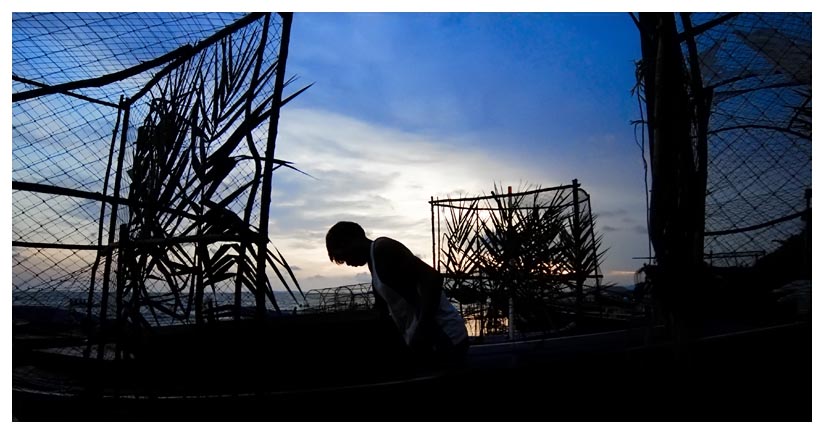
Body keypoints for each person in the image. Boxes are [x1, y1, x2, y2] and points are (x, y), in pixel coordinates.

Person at [325, 221, 469, 365]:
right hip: (428, 340)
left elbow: (433, 278)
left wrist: (422, 328)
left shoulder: (383, 249)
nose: (348, 263)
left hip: (444, 336)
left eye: (344, 255)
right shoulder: (373, 261)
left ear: (354, 240)